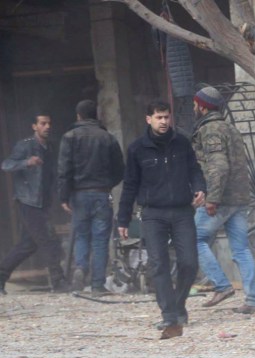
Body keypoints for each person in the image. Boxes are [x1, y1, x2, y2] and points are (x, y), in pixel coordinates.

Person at [117, 101, 206, 340]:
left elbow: (195, 169)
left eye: (166, 117)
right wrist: (123, 220)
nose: (164, 121)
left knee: (189, 262)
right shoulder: (137, 149)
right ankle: (169, 314)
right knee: (158, 264)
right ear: (149, 119)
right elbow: (130, 185)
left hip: (181, 211)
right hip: (153, 213)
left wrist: (199, 187)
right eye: (159, 117)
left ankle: (178, 304)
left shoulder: (182, 142)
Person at [190, 86, 255, 314]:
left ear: (202, 106)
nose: (194, 108)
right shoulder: (230, 128)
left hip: (222, 198)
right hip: (240, 197)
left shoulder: (210, 130)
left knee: (194, 239)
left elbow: (219, 167)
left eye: (195, 104)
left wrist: (212, 198)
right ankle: (253, 300)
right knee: (241, 249)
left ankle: (221, 286)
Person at [58, 99, 125, 293]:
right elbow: (120, 169)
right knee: (100, 239)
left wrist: (64, 197)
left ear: (78, 116)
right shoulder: (107, 138)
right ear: (96, 115)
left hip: (79, 195)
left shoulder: (69, 137)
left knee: (81, 235)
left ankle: (80, 268)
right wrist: (107, 184)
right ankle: (97, 283)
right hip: (102, 194)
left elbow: (64, 170)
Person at [0, 111, 67, 294]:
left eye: (49, 123)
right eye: (43, 123)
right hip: (28, 201)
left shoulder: (50, 147)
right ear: (34, 126)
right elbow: (6, 164)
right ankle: (58, 281)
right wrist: (26, 162)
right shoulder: (25, 145)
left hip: (43, 203)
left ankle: (1, 275)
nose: (47, 127)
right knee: (48, 240)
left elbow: (53, 175)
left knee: (28, 245)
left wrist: (61, 198)